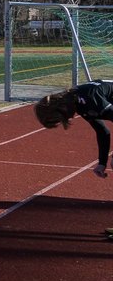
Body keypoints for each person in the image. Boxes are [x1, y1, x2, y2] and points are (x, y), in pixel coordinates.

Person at [34, 83, 113, 239]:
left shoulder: (90, 98)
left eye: (58, 119)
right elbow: (103, 131)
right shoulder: (79, 102)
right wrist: (102, 162)